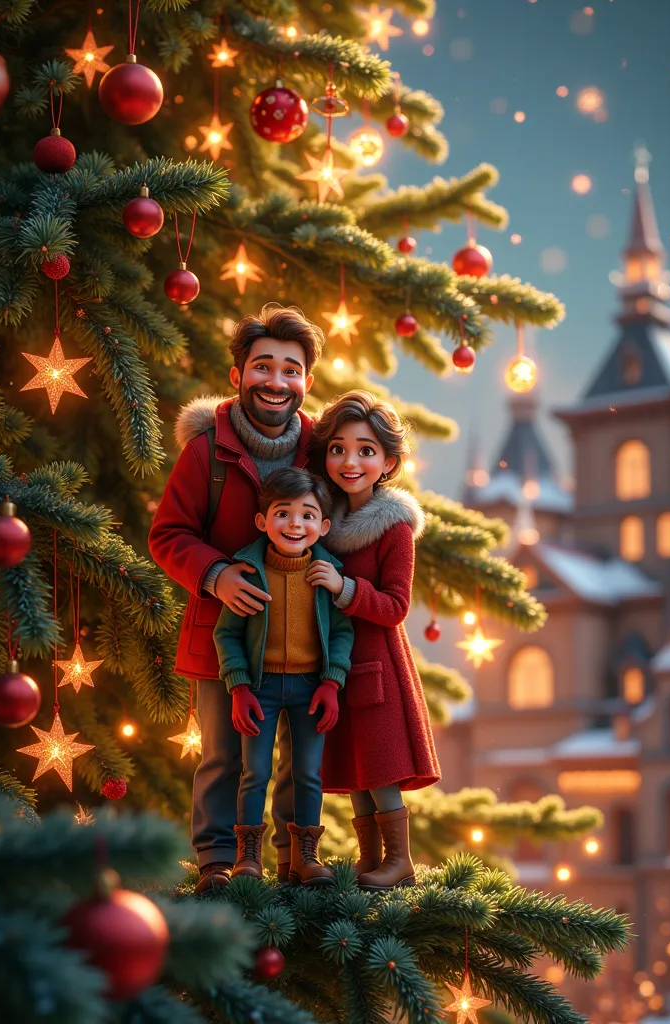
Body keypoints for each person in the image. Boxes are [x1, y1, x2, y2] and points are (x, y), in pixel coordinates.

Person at [148, 304, 325, 894]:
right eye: (263, 367)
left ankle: (290, 859)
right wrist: (217, 574)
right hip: (223, 639)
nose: (276, 382)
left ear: (306, 382)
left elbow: (348, 515)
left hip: (302, 637)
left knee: (294, 761)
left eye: (291, 370)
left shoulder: (321, 452)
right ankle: (218, 863)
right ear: (238, 376)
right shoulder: (207, 452)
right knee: (223, 756)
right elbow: (168, 535)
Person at [307, 390, 440, 891]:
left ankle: (399, 859)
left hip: (377, 664)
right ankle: (370, 860)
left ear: (388, 461)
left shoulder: (394, 528)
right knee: (355, 765)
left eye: (366, 450)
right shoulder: (321, 519)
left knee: (380, 766)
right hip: (334, 664)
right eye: (338, 448)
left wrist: (344, 589)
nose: (350, 461)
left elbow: (396, 607)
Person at [214, 467, 353, 885]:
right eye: (283, 513)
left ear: (323, 526)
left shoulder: (327, 576)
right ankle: (248, 856)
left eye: (308, 515)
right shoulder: (249, 572)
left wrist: (332, 682)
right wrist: (238, 687)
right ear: (262, 521)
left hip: (311, 688)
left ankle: (304, 856)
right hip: (261, 688)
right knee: (255, 772)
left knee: (308, 773)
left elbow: (343, 632)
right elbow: (227, 633)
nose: (296, 524)